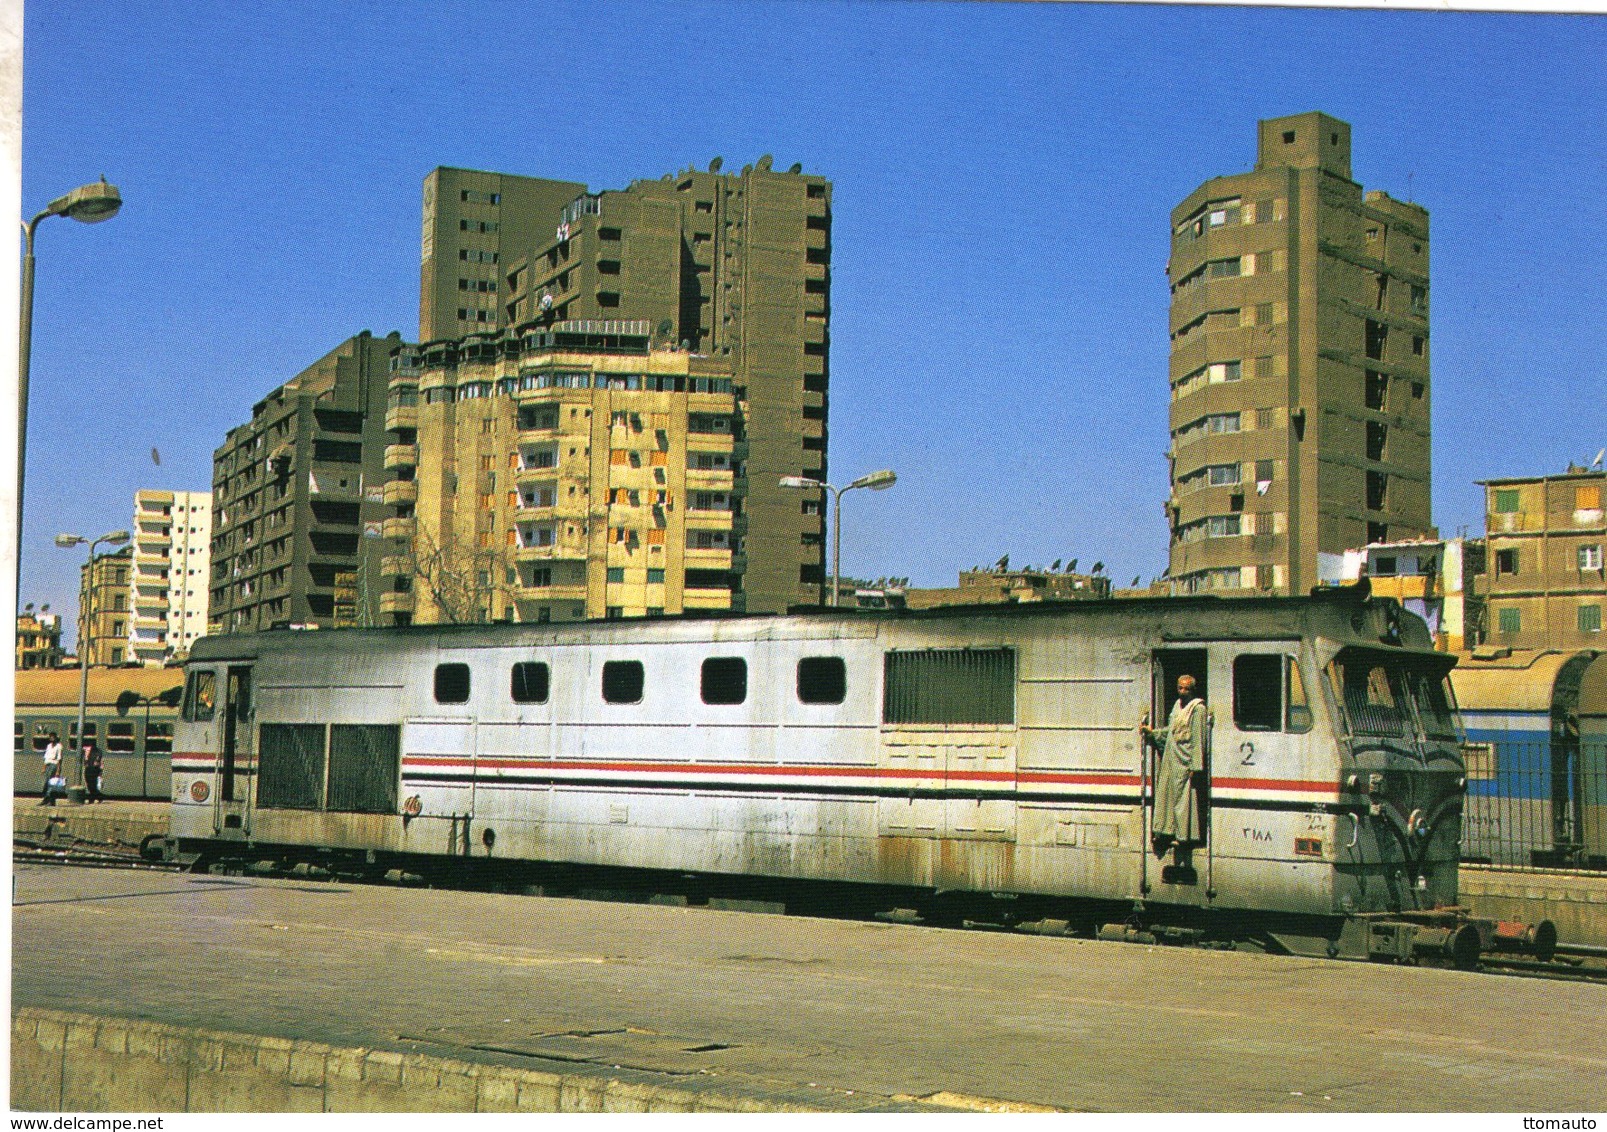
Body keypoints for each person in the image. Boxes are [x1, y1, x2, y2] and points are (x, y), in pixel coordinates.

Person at [1141, 674, 1208, 857]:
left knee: (1182, 799)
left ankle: (1183, 836)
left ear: (1193, 690)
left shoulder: (1198, 709)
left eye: (1186, 689)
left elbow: (1198, 738)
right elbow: (1170, 732)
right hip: (1171, 758)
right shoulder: (1176, 706)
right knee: (1167, 795)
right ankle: (1165, 831)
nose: (1182, 692)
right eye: (1180, 688)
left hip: (1184, 760)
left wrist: (1196, 766)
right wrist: (1153, 733)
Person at [40, 735, 63, 805]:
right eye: (51, 737)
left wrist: (58, 770)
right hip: (48, 764)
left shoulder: (59, 746)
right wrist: (44, 767)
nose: (52, 739)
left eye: (53, 737)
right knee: (47, 783)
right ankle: (51, 801)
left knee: (51, 783)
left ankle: (47, 799)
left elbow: (59, 758)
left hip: (54, 765)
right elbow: (46, 757)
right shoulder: (49, 746)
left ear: (56, 738)